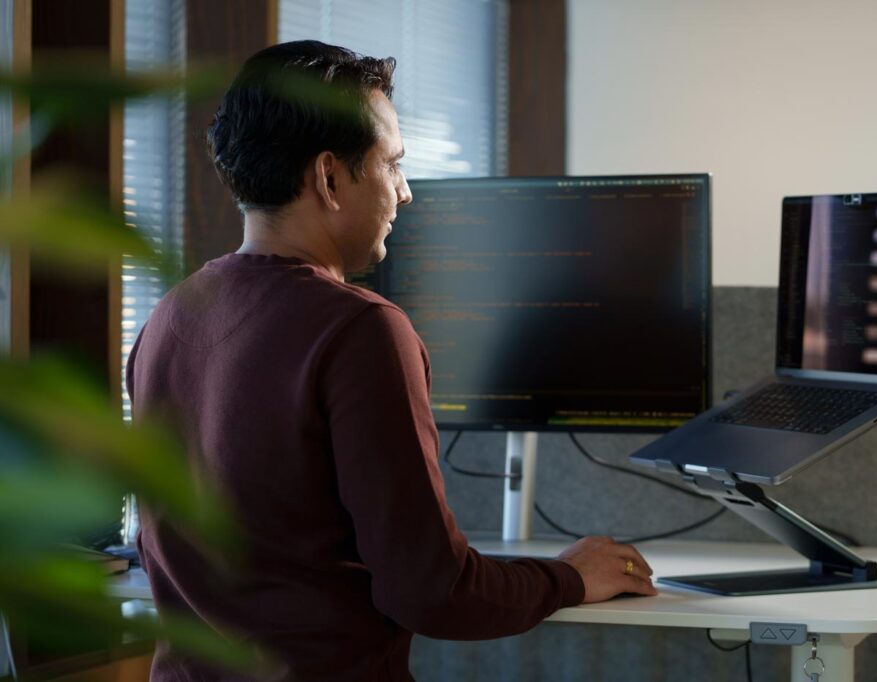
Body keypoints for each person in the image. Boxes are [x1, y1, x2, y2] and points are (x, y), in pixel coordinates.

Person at [127, 40, 657, 682]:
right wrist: (569, 577)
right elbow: (434, 593)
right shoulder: (361, 330)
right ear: (329, 178)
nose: (404, 194)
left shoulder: (169, 316)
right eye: (393, 164)